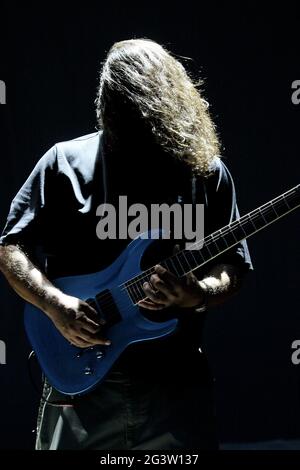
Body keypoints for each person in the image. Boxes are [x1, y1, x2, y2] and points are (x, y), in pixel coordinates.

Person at [0, 38, 252, 450]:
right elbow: (11, 248)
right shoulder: (63, 162)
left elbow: (233, 267)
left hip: (175, 389)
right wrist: (53, 304)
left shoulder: (205, 174)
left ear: (164, 106)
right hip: (78, 389)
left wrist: (197, 293)